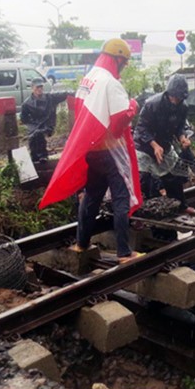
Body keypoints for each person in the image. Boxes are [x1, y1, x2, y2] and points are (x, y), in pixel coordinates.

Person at [38, 38, 142, 263]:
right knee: (121, 197)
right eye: (123, 63)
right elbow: (116, 125)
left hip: (92, 150)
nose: (123, 67)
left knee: (92, 196)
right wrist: (133, 106)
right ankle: (124, 252)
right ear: (117, 60)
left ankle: (81, 243)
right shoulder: (110, 83)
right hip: (110, 151)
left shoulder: (90, 78)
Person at [134, 75, 195, 214]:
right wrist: (154, 145)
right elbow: (141, 128)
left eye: (180, 98)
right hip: (144, 146)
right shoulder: (152, 104)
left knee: (174, 176)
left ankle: (181, 205)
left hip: (165, 143)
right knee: (146, 181)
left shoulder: (183, 107)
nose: (176, 101)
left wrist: (182, 137)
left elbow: (180, 126)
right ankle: (144, 213)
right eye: (175, 97)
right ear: (168, 94)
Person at [20, 78, 72, 163]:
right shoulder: (27, 103)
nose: (39, 89)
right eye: (37, 87)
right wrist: (33, 124)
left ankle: (43, 156)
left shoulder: (50, 98)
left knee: (38, 133)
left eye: (41, 87)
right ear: (32, 88)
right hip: (35, 125)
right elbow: (24, 119)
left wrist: (76, 92)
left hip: (48, 124)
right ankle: (34, 157)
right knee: (33, 135)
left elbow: (64, 94)